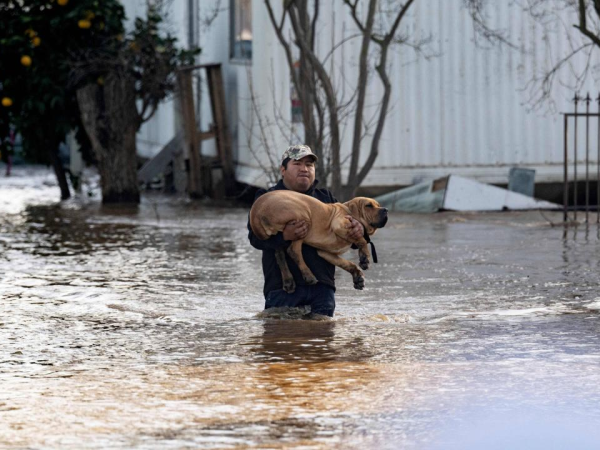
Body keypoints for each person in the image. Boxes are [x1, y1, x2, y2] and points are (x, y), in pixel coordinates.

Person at [248, 144, 364, 318]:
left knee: (321, 343)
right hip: (282, 289)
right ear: (283, 170)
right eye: (297, 164)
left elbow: (348, 240)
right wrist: (284, 236)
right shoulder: (268, 198)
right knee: (281, 343)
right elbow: (254, 238)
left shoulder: (326, 199)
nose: (304, 169)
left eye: (309, 165)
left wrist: (358, 231)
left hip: (322, 289)